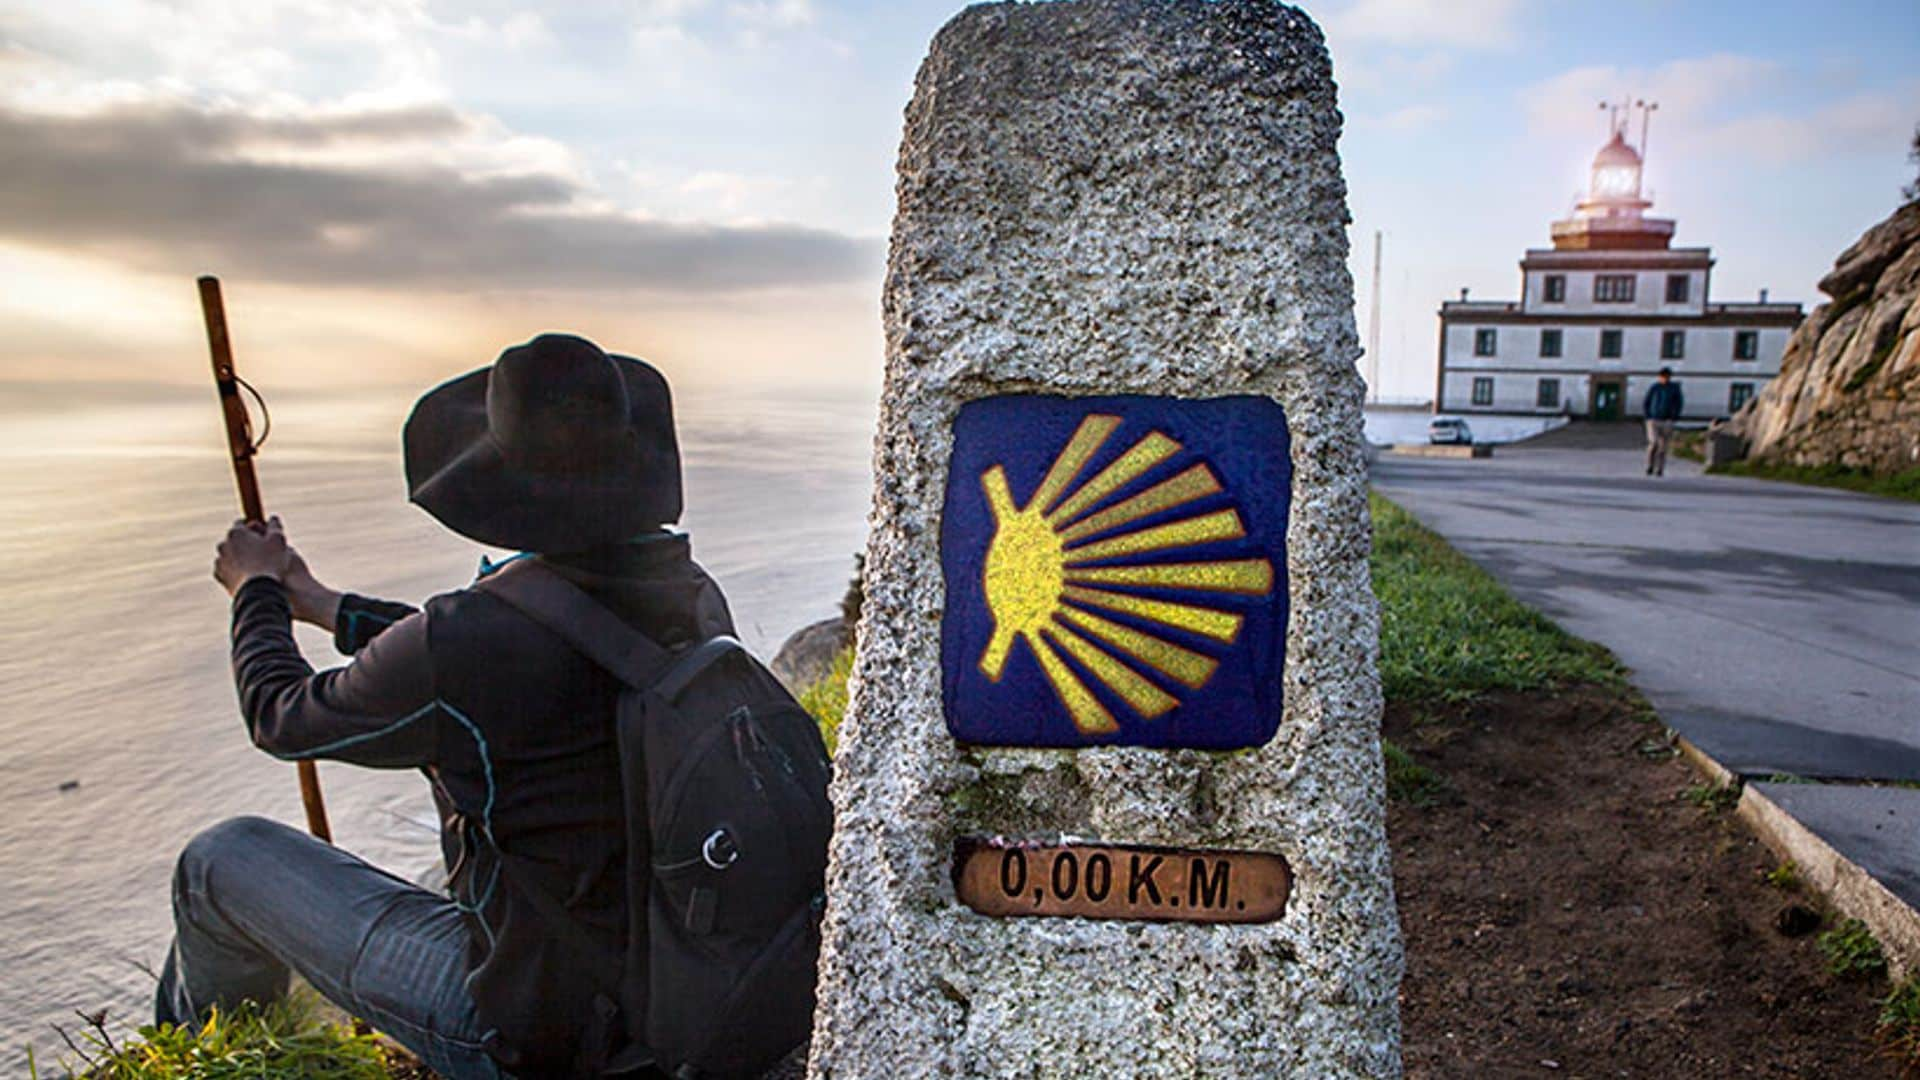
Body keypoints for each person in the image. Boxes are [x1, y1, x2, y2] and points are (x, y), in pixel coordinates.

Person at [158, 334, 733, 1078]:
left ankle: (212, 1059)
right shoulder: (687, 592)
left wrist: (257, 592)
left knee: (219, 861)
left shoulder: (472, 644)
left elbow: (281, 715)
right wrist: (329, 607)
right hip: (679, 991)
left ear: (499, 482)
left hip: (534, 1039)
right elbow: (512, 647)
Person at [1642, 366, 1684, 476]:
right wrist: (1648, 416)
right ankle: (1650, 465)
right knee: (1654, 443)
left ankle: (1660, 469)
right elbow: (1647, 401)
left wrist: (1674, 417)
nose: (1664, 378)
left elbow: (1679, 403)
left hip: (1667, 420)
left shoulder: (1674, 389)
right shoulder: (1654, 388)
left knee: (1663, 447)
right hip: (1653, 420)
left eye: (1666, 377)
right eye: (1662, 376)